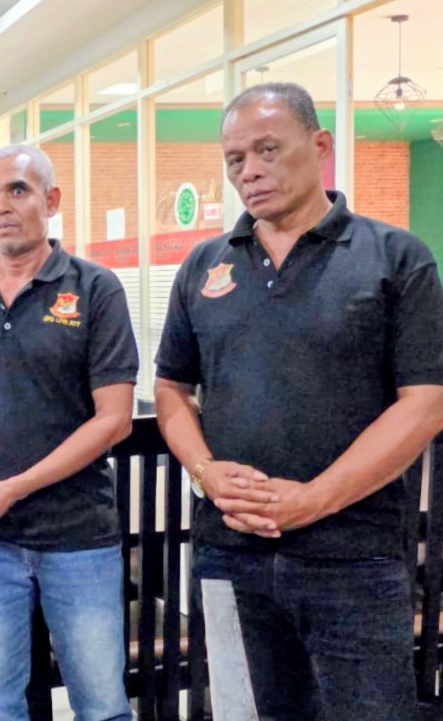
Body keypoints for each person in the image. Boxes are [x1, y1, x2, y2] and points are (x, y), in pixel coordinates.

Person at [155, 82, 443, 720]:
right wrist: (204, 472)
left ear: (319, 146)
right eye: (235, 159)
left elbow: (425, 402)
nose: (249, 171)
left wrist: (314, 499)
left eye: (267, 150)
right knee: (244, 712)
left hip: (354, 558)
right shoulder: (204, 265)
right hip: (229, 553)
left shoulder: (395, 258)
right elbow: (171, 388)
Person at [0, 144, 137, 721]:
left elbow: (114, 418)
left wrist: (14, 488)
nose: (2, 205)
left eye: (17, 190)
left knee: (102, 707)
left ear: (51, 200)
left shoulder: (96, 289)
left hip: (78, 537)